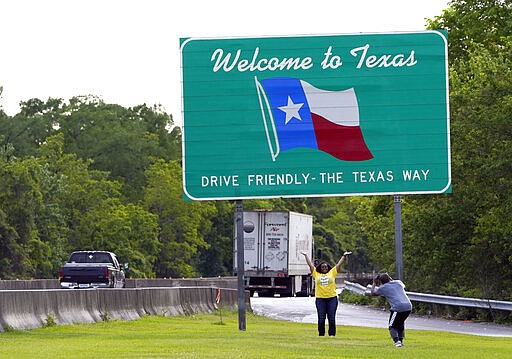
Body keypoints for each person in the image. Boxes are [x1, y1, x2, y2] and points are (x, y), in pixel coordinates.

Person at [301, 250, 352, 337]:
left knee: (331, 318)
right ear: (320, 268)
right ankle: (321, 335)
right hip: (320, 299)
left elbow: (339, 265)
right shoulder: (316, 274)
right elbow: (310, 265)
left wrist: (344, 256)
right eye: (322, 267)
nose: (324, 268)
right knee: (321, 319)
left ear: (328, 268)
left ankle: (332, 335)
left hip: (332, 298)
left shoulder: (332, 272)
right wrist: (306, 255)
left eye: (325, 267)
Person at [371, 273, 412, 347]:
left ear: (381, 281)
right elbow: (395, 283)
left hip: (398, 307)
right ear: (389, 278)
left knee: (392, 326)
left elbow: (373, 293)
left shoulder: (383, 288)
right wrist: (389, 278)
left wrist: (374, 283)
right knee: (400, 323)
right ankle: (400, 341)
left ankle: (397, 342)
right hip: (408, 306)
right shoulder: (398, 282)